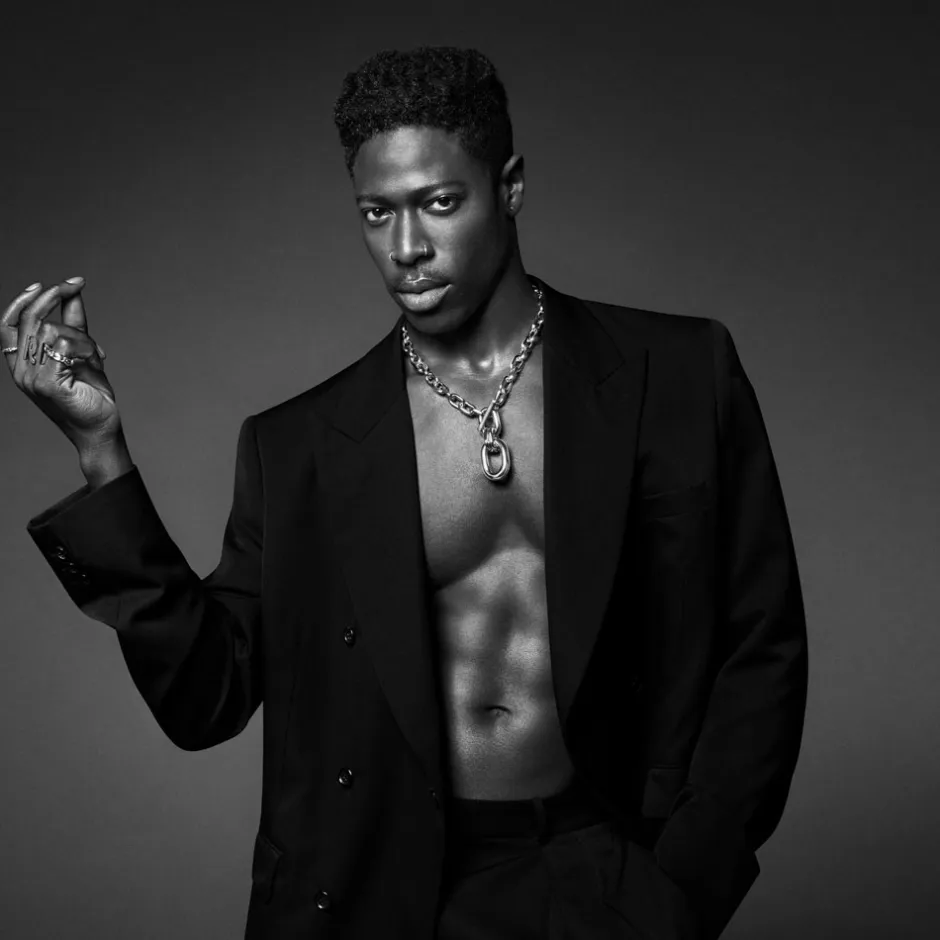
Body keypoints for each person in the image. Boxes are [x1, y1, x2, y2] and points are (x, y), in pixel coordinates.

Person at [2, 46, 808, 940]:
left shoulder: (680, 374)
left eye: (439, 202)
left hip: (608, 869)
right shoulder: (300, 446)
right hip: (389, 891)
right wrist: (101, 452)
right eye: (377, 212)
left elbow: (760, 642)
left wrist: (685, 885)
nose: (407, 248)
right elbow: (207, 696)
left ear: (509, 187)